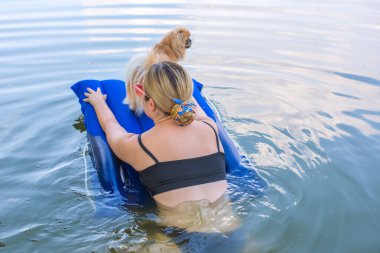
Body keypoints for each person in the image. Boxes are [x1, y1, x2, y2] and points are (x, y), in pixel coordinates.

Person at [84, 62, 241, 251]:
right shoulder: (210, 128)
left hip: (178, 236)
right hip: (230, 229)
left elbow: (111, 126)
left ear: (150, 103)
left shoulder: (141, 145)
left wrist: (98, 102)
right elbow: (194, 106)